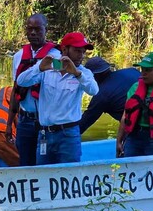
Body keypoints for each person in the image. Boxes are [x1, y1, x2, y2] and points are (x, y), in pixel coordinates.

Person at [15, 32, 99, 164]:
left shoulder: (83, 72)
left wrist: (77, 74)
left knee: (70, 173)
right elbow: (21, 81)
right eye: (77, 51)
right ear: (64, 49)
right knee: (43, 173)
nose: (81, 55)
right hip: (45, 134)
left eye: (83, 52)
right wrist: (39, 69)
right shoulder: (48, 67)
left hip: (69, 135)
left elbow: (94, 91)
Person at [6, 13, 57, 166]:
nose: (33, 33)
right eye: (30, 29)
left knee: (45, 163)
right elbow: (16, 90)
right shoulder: (19, 56)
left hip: (46, 121)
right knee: (25, 163)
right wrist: (9, 124)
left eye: (38, 29)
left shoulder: (56, 57)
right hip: (25, 119)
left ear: (46, 30)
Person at [79, 57, 141, 133]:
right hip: (151, 117)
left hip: (136, 127)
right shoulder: (132, 71)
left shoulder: (101, 95)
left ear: (93, 76)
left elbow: (85, 122)